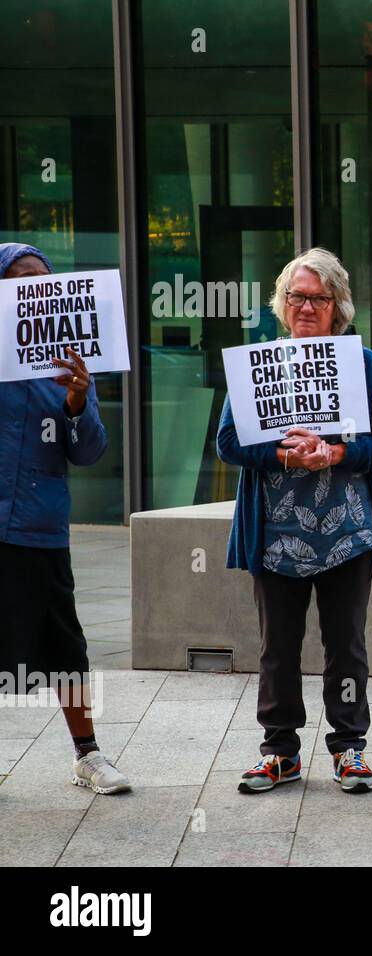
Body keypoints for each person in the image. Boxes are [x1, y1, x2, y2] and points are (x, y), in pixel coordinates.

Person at [217, 248, 372, 795]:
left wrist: (338, 454)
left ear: (338, 305)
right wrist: (288, 456)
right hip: (275, 537)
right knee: (278, 647)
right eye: (297, 296)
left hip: (348, 534)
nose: (306, 307)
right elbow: (228, 443)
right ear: (282, 301)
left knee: (346, 645)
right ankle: (279, 752)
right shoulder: (260, 364)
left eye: (319, 298)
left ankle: (349, 750)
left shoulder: (362, 365)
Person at [0, 242, 129, 794]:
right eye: (18, 280)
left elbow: (89, 451)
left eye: (41, 281)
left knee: (65, 648)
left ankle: (88, 756)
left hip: (41, 526)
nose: (32, 289)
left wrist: (78, 401)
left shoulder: (70, 363)